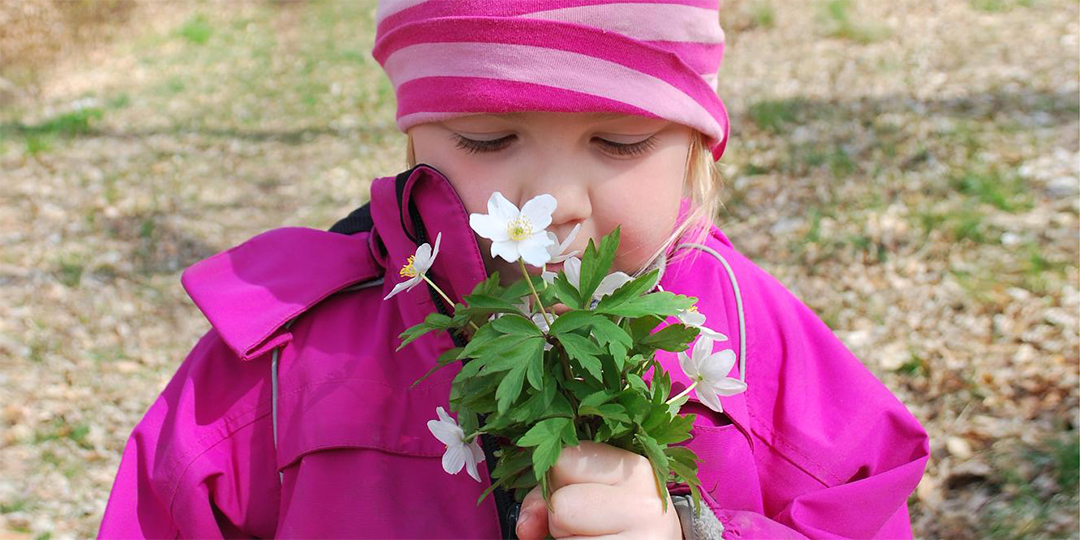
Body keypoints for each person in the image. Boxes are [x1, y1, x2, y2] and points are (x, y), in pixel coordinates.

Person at [99, 1, 930, 538]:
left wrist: (696, 532)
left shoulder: (745, 333)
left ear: (695, 150)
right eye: (489, 141)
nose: (553, 200)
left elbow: (868, 507)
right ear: (414, 140)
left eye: (620, 142)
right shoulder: (285, 366)